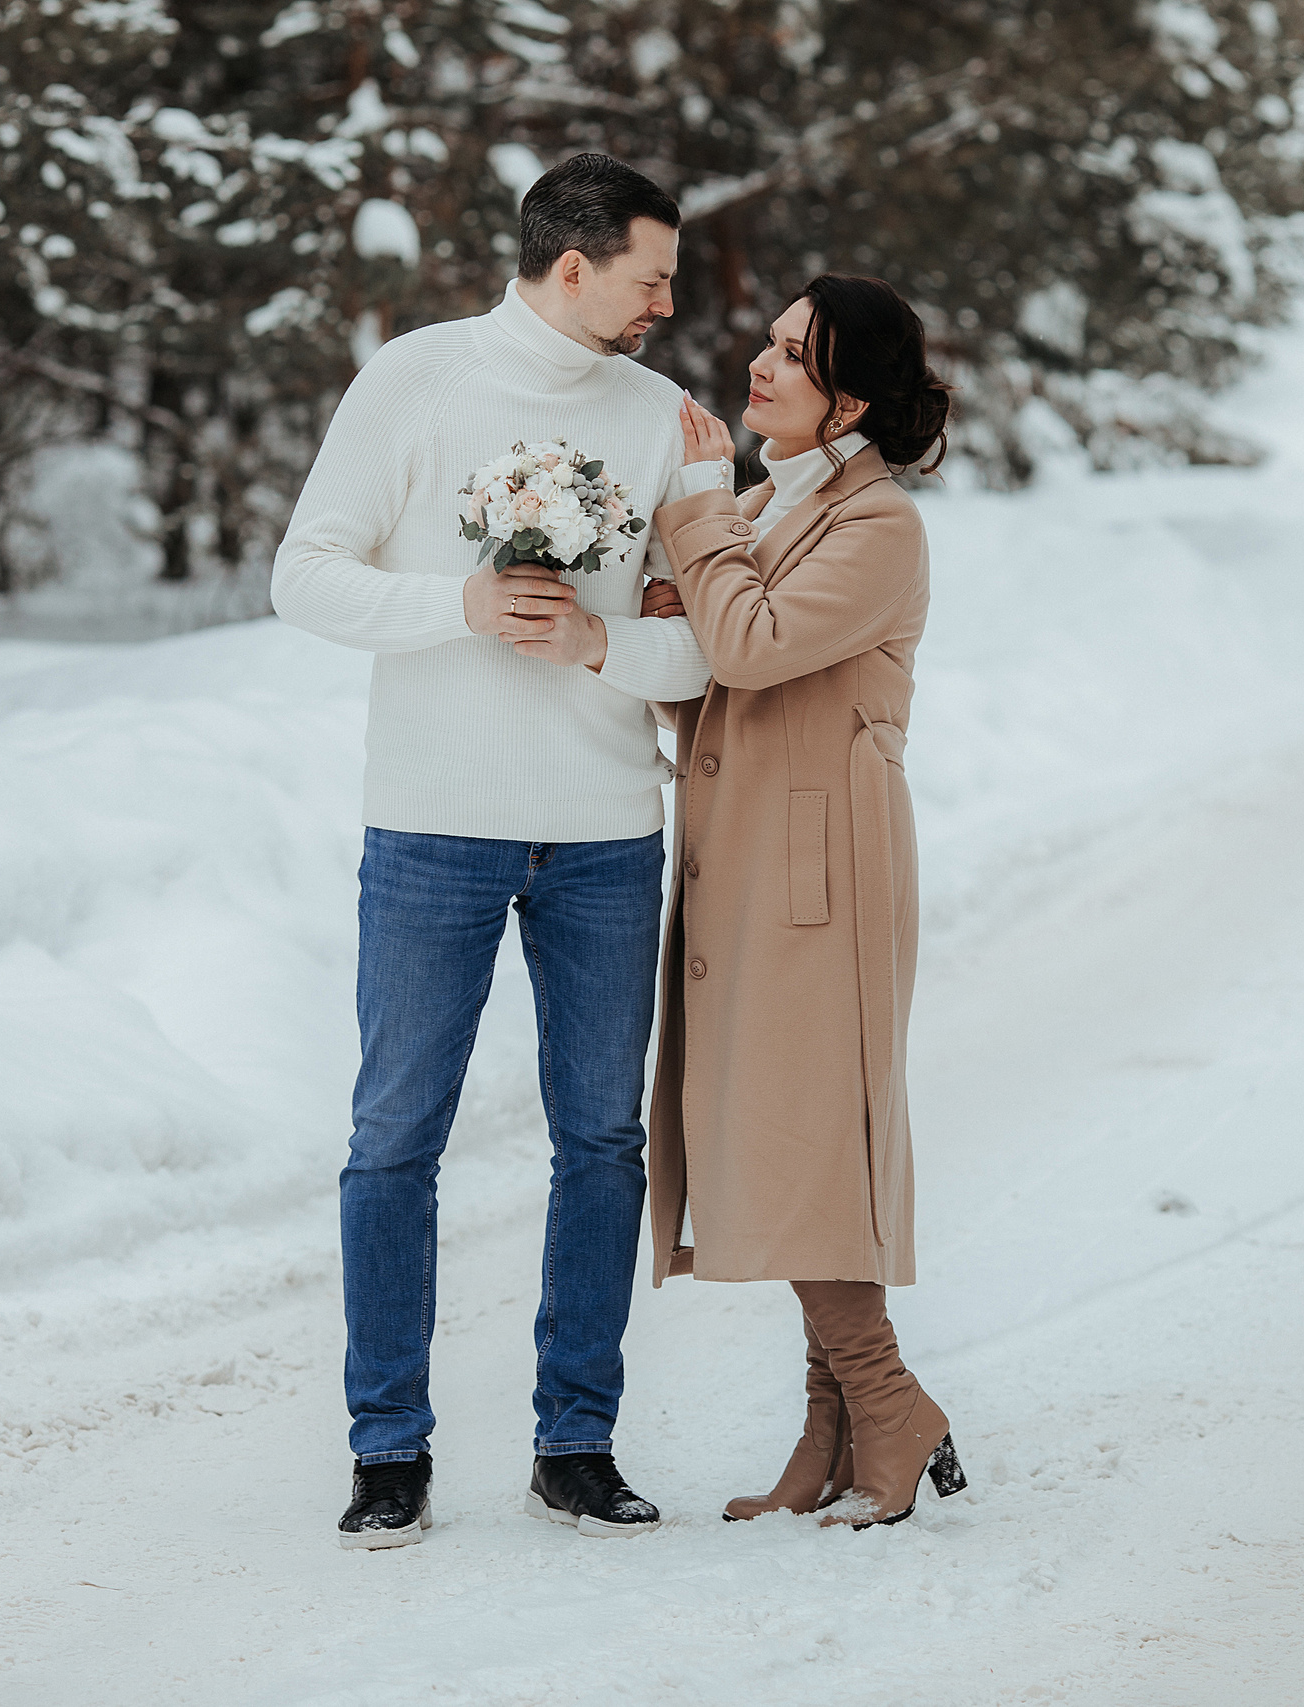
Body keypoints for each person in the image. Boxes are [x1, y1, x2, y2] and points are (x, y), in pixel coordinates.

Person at [270, 153, 728, 1549]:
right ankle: (386, 1447)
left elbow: (712, 642)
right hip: (429, 828)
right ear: (572, 264)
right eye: (651, 274)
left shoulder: (669, 423)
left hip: (601, 834)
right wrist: (461, 602)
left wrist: (604, 640)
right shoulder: (415, 378)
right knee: (394, 1137)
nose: (668, 300)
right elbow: (304, 574)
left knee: (603, 1138)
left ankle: (576, 1439)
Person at [643, 275, 965, 1528]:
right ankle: (832, 1424)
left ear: (854, 400)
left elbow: (754, 648)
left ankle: (886, 1404)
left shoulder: (879, 525)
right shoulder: (790, 506)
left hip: (823, 865)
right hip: (757, 846)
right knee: (790, 1134)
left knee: (808, 1134)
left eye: (795, 355)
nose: (762, 367)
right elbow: (726, 687)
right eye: (770, 343)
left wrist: (700, 527)